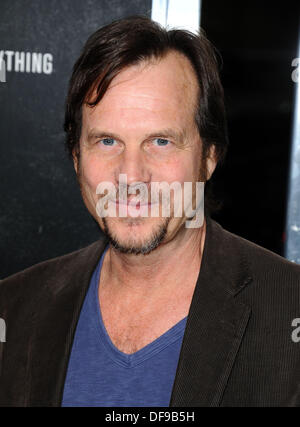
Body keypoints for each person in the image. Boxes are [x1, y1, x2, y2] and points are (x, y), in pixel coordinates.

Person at [0, 16, 300, 408]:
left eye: (160, 141)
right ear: (76, 156)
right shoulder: (15, 309)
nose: (131, 175)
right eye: (107, 141)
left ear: (209, 156)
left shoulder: (288, 311)